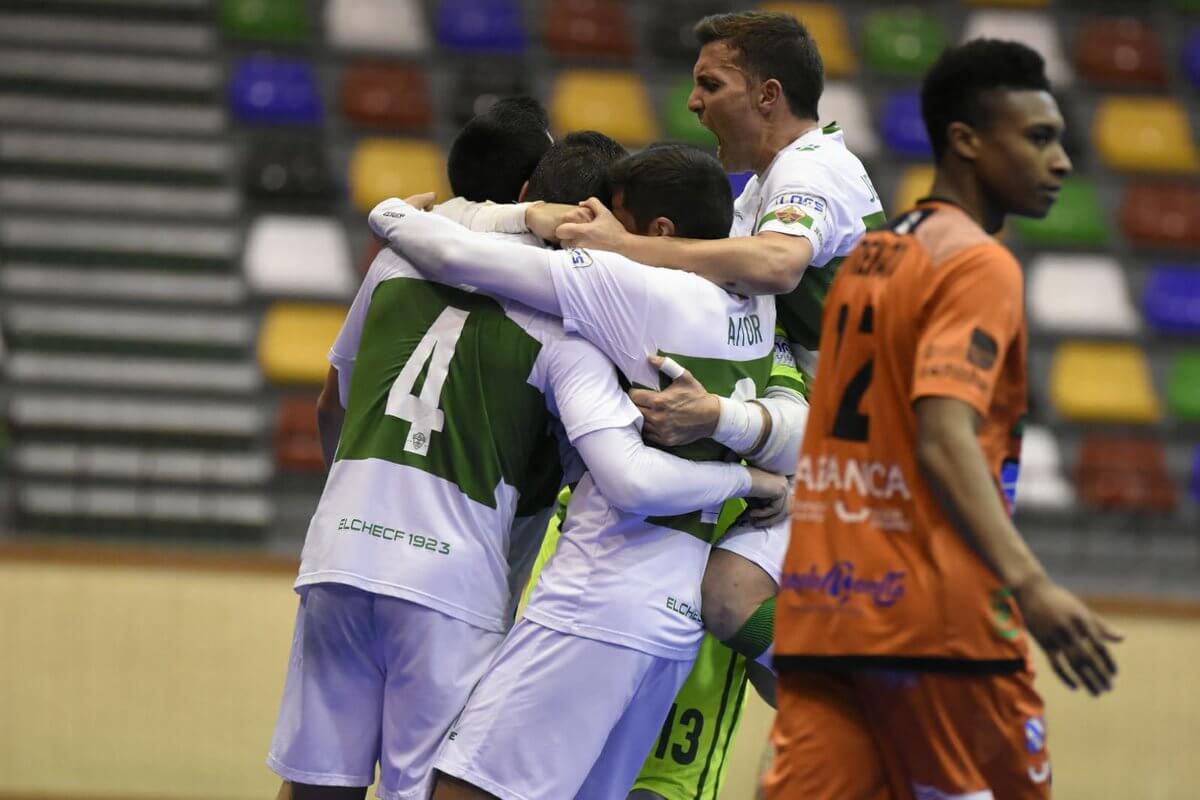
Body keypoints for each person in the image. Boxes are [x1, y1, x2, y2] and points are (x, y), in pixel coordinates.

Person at [267, 121, 786, 800]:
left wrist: (353, 487)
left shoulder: (398, 267)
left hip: (345, 549)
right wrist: (748, 471)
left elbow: (333, 397)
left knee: (318, 781)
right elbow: (623, 474)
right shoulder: (611, 320)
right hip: (474, 581)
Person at [768, 39, 1121, 800]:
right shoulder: (979, 264)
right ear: (965, 140)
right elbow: (943, 436)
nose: (1059, 161)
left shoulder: (871, 257)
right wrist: (1031, 587)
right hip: (937, 624)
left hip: (825, 611)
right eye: (1038, 138)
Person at [555, 13, 885, 798]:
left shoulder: (812, 171)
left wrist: (624, 249)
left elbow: (774, 266)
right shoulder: (766, 189)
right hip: (830, 443)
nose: (694, 103)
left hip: (866, 455)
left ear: (769, 95)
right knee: (754, 631)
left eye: (712, 84)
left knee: (732, 596)